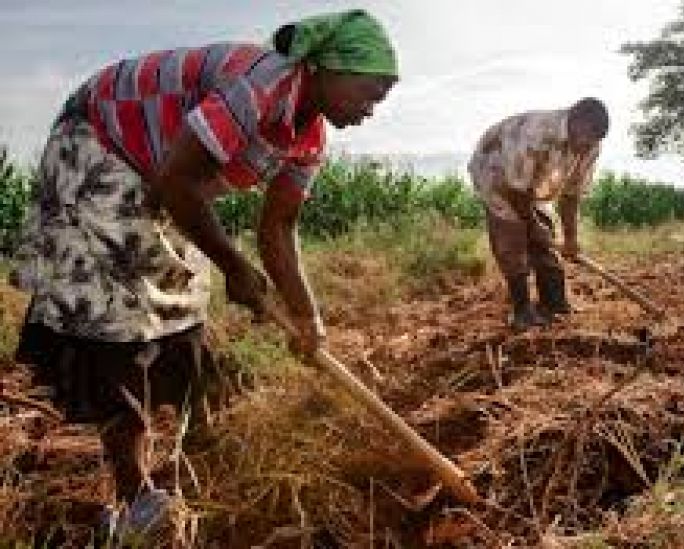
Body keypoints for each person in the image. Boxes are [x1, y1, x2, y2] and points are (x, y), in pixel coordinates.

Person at [10, 8, 399, 526]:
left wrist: (309, 320)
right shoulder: (259, 85)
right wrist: (237, 267)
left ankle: (202, 442)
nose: (371, 110)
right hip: (100, 139)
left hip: (159, 172)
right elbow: (178, 181)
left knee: (185, 291)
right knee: (116, 319)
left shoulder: (308, 138)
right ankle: (134, 498)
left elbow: (279, 229)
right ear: (328, 69)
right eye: (369, 93)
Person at [468, 98, 608, 331]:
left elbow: (571, 194)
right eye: (584, 139)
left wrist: (571, 239)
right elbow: (514, 188)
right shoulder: (537, 133)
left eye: (592, 142)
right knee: (511, 235)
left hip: (530, 182)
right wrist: (533, 226)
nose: (585, 147)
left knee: (544, 232)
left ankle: (554, 303)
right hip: (496, 172)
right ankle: (522, 312)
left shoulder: (591, 146)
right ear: (574, 119)